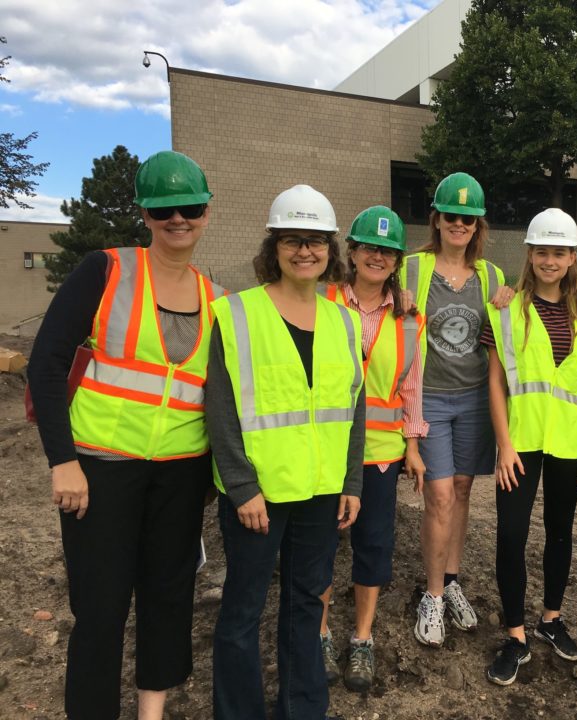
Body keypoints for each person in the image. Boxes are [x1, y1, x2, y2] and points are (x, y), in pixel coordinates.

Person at [26, 150, 223, 720]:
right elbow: (46, 362)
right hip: (100, 471)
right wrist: (61, 460)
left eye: (189, 207)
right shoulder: (106, 270)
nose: (178, 219)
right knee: (101, 608)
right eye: (165, 209)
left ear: (206, 211)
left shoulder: (215, 297)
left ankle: (151, 713)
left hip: (180, 476)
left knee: (168, 599)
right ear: (145, 213)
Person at [207, 185, 364, 720]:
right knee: (242, 612)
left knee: (305, 606)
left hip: (321, 492)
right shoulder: (235, 314)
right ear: (273, 247)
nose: (306, 251)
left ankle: (301, 709)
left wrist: (352, 481)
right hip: (259, 495)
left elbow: (353, 406)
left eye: (316, 241)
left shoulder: (343, 320)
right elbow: (221, 409)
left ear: (330, 250)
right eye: (293, 240)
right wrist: (242, 485)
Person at [482, 208, 577, 686]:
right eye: (541, 252)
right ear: (529, 255)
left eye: (559, 253)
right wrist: (504, 446)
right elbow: (495, 383)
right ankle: (516, 637)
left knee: (560, 534)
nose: (549, 261)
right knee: (511, 536)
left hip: (568, 445)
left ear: (573, 257)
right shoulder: (505, 310)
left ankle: (551, 619)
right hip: (522, 444)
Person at [398, 171, 512, 647]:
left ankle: (453, 580)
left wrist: (505, 303)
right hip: (430, 399)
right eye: (451, 216)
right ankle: (432, 594)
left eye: (468, 218)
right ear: (437, 219)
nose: (459, 224)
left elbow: (502, 334)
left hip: (474, 400)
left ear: (477, 224)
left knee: (463, 490)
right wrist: (394, 303)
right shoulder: (411, 269)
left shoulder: (491, 276)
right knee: (438, 496)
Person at [319, 206, 427, 692]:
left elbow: (411, 385)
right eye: (369, 248)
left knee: (375, 546)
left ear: (397, 259)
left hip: (381, 451)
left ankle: (362, 639)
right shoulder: (321, 300)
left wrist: (413, 445)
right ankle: (319, 632)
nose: (377, 257)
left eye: (387, 251)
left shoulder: (408, 316)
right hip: (324, 446)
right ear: (352, 252)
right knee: (319, 546)